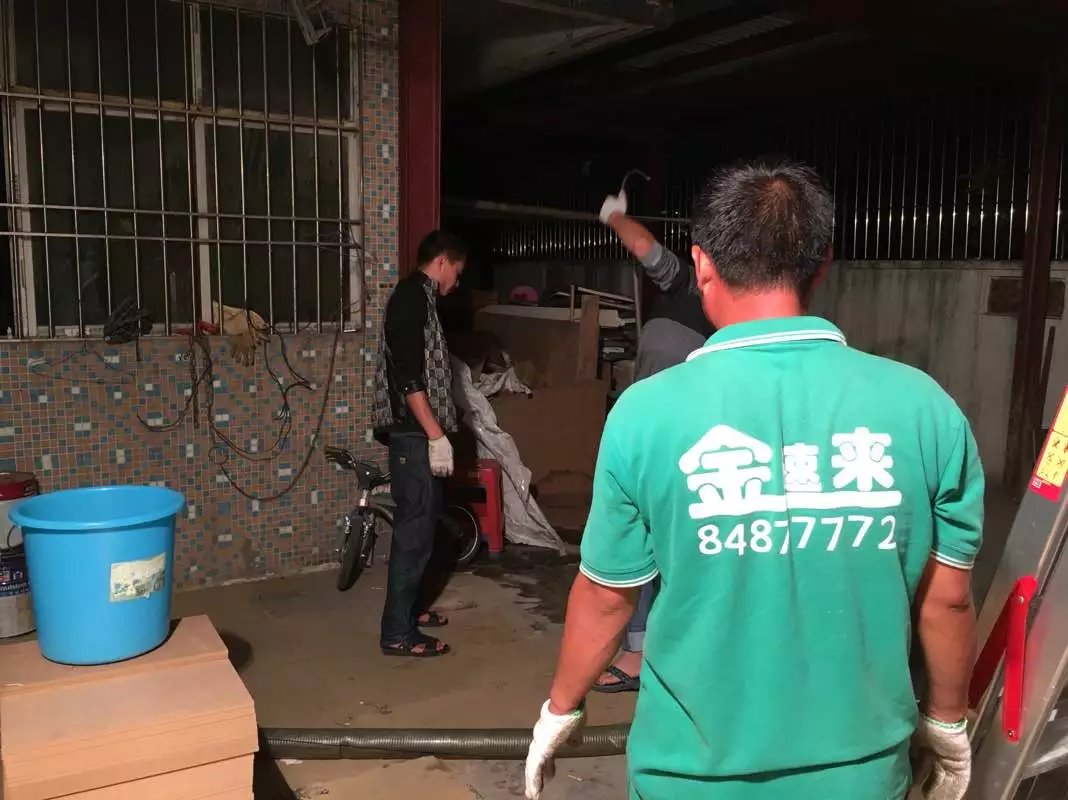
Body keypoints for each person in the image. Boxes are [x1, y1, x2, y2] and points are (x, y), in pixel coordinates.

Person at [524, 159, 983, 800]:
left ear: (702, 264)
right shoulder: (924, 407)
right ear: (821, 266)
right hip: (861, 773)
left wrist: (562, 709)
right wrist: (947, 722)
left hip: (689, 776)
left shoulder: (645, 413)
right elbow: (947, 599)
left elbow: (607, 598)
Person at [592, 191, 715, 694]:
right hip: (656, 432)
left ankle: (643, 653)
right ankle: (652, 645)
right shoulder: (685, 282)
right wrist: (616, 217)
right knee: (648, 538)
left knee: (658, 539)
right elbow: (644, 246)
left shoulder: (730, 316)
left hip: (686, 440)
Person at [372, 230, 466, 658]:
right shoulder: (411, 298)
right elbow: (409, 377)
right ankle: (397, 633)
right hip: (414, 436)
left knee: (424, 528)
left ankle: (410, 612)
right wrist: (435, 435)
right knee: (413, 535)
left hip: (417, 434)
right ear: (443, 261)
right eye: (457, 272)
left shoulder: (422, 298)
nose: (456, 283)